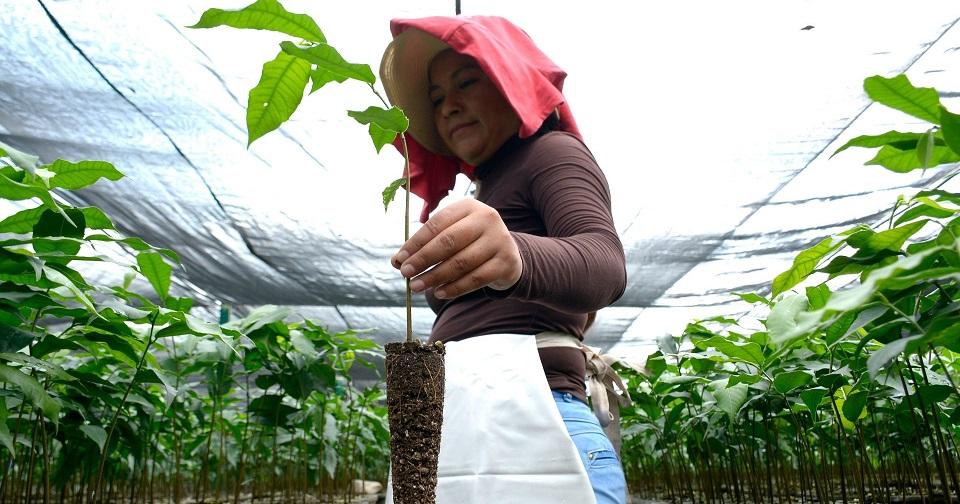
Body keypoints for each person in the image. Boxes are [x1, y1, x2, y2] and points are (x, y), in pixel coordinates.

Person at [380, 15, 628, 504]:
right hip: (459, 418)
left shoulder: (551, 153)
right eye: (435, 99)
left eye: (465, 82)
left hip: (536, 412)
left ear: (510, 82)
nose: (448, 106)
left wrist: (516, 255)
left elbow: (605, 260)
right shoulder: (485, 187)